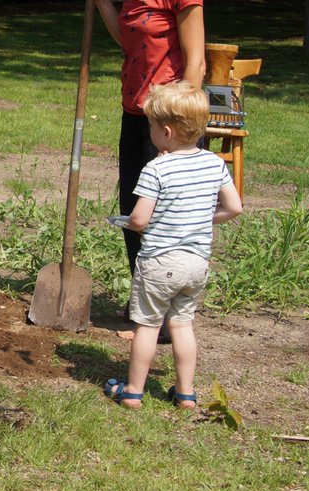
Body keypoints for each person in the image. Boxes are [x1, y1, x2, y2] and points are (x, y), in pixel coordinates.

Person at [81, 0, 206, 342]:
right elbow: (128, 41)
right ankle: (148, 310)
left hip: (169, 122)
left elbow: (196, 66)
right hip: (134, 111)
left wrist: (178, 129)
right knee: (135, 213)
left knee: (166, 218)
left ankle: (168, 320)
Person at [102, 82, 242, 408]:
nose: (149, 131)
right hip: (196, 264)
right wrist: (200, 220)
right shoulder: (214, 164)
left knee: (148, 326)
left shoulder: (156, 168)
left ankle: (133, 392)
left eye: (150, 126)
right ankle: (186, 394)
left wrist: (126, 222)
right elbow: (234, 207)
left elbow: (138, 219)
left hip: (160, 262)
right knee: (181, 325)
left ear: (166, 132)